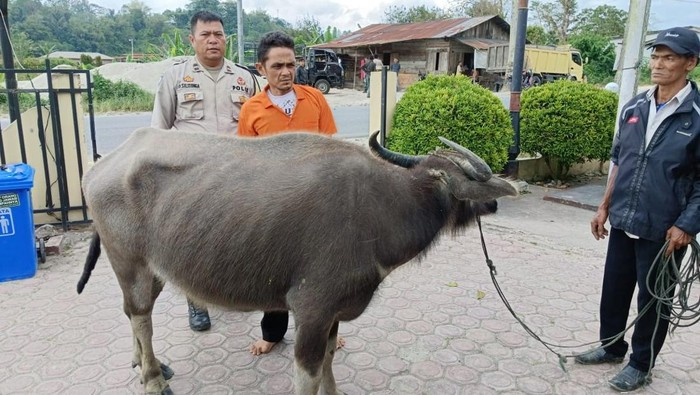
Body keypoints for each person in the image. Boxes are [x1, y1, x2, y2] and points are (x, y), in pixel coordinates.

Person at [577, 27, 700, 392]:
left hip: (664, 230)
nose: (659, 65)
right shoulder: (634, 106)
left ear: (690, 63)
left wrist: (687, 225)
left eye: (669, 57)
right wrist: (603, 208)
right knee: (613, 290)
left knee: (653, 302)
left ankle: (641, 364)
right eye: (656, 56)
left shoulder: (697, 115)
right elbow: (619, 160)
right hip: (623, 219)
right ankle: (612, 347)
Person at [237, 31, 343, 355]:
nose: (285, 72)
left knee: (324, 275)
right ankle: (272, 333)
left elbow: (333, 151)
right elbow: (245, 162)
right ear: (261, 68)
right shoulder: (251, 110)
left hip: (316, 206)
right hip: (274, 209)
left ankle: (325, 333)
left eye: (291, 64)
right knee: (275, 276)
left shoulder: (315, 99)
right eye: (277, 66)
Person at [151, 10, 257, 332]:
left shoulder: (244, 78)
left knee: (236, 239)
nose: (213, 40)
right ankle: (196, 301)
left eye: (218, 35)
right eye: (206, 35)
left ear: (226, 39)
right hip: (190, 178)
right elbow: (158, 131)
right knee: (192, 243)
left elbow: (259, 125)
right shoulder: (175, 77)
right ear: (192, 39)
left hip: (236, 177)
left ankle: (228, 291)